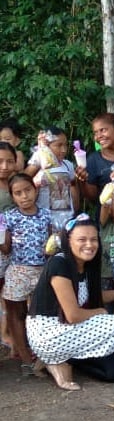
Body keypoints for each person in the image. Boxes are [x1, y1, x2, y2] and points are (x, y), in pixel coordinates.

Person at [26, 214, 114, 390]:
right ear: (68, 241)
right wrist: (101, 312)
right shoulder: (59, 263)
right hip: (49, 332)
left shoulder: (86, 265)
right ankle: (52, 358)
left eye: (94, 239)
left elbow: (96, 295)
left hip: (71, 333)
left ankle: (66, 359)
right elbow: (73, 315)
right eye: (82, 239)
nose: (89, 244)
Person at [0, 173, 51, 375]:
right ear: (12, 197)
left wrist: (51, 249)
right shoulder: (9, 217)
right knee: (17, 313)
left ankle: (43, 355)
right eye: (18, 193)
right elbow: (6, 249)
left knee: (41, 314)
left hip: (42, 271)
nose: (24, 196)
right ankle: (24, 359)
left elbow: (52, 243)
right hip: (18, 270)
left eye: (27, 190)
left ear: (35, 190)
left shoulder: (46, 215)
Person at [25, 126, 79, 229]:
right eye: (58, 145)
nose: (63, 150)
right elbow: (23, 180)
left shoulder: (68, 165)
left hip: (66, 220)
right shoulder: (38, 166)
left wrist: (74, 210)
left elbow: (73, 187)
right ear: (47, 146)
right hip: (43, 221)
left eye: (65, 145)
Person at [0, 143, 18, 352]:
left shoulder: (16, 184)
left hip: (13, 248)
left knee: (8, 293)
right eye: (0, 161)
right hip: (1, 246)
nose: (4, 166)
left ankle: (7, 333)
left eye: (9, 161)